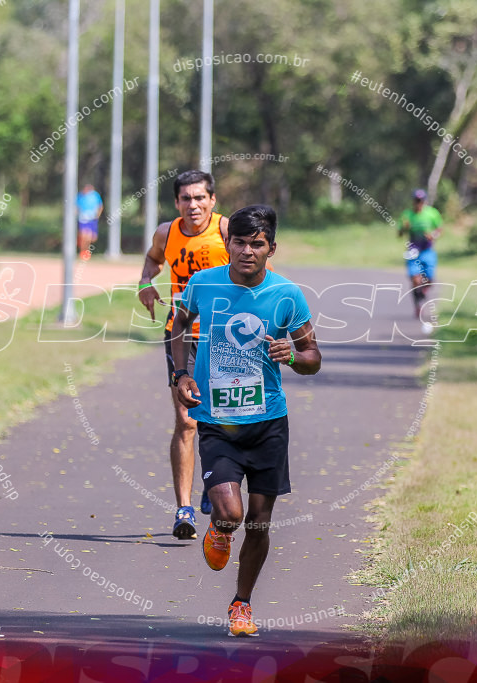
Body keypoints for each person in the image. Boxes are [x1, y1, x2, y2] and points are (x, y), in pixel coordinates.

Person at [170, 204, 321, 637]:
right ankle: (219, 528)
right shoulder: (203, 284)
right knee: (232, 513)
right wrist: (180, 375)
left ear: (271, 248)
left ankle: (241, 604)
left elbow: (313, 357)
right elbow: (178, 326)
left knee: (258, 522)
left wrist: (292, 355)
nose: (247, 251)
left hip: (269, 423)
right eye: (239, 242)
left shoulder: (287, 294)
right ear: (228, 245)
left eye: (257, 244)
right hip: (218, 421)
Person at [138, 170, 230, 539]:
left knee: (222, 418)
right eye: (186, 199)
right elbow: (152, 260)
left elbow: (260, 270)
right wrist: (146, 283)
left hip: (226, 338)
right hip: (182, 334)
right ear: (176, 203)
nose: (193, 205)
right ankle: (184, 510)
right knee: (187, 420)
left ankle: (213, 482)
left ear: (212, 200)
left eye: (199, 198)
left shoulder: (226, 231)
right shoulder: (167, 232)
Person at [399, 189, 443, 333]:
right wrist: (404, 229)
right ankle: (418, 304)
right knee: (415, 280)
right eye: (416, 201)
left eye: (421, 201)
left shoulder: (432, 213)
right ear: (413, 201)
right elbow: (400, 233)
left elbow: (439, 229)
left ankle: (423, 293)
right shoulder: (407, 215)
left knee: (429, 280)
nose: (419, 203)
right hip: (413, 251)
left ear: (424, 201)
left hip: (428, 250)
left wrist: (434, 235)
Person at [76, 184, 103, 260]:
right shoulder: (80, 196)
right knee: (85, 236)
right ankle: (83, 252)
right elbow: (76, 206)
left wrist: (98, 215)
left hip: (92, 219)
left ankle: (82, 245)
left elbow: (100, 206)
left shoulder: (95, 196)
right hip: (83, 219)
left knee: (92, 238)